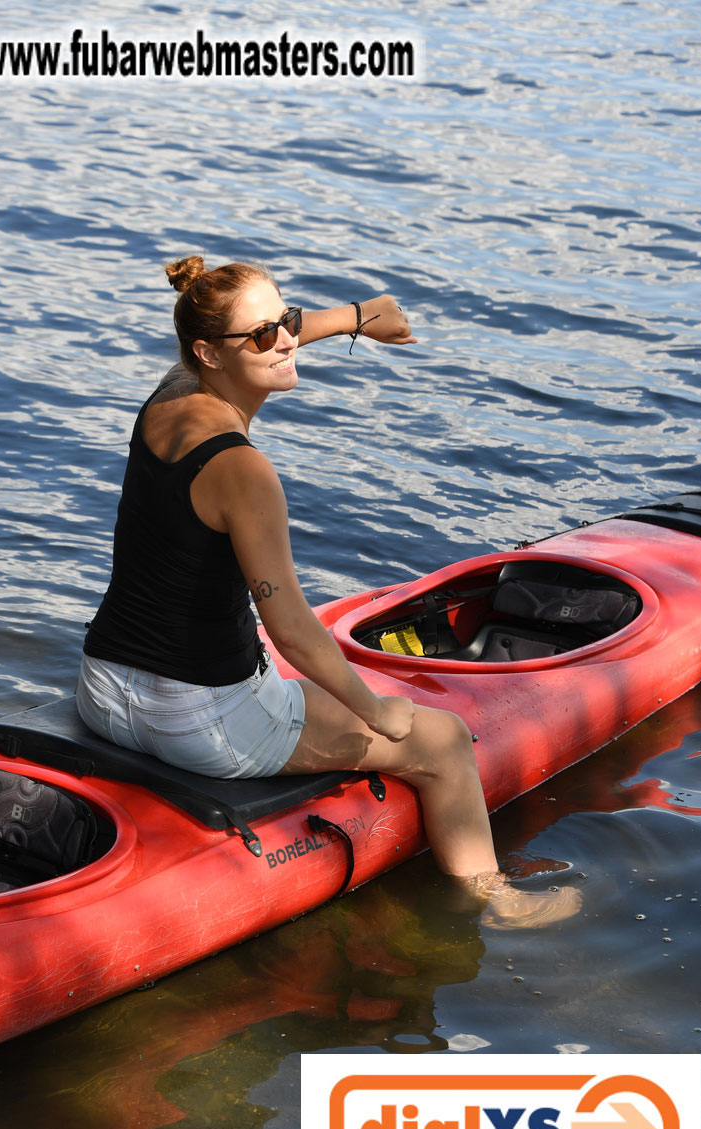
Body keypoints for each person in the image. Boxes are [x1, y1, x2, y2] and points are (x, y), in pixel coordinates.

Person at [76, 256, 580, 922]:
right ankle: (497, 901)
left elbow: (266, 336)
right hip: (198, 724)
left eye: (286, 319)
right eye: (265, 334)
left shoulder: (168, 397)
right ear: (209, 352)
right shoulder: (243, 471)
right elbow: (290, 630)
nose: (286, 339)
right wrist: (376, 712)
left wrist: (361, 318)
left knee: (269, 664)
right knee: (445, 741)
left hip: (102, 692)